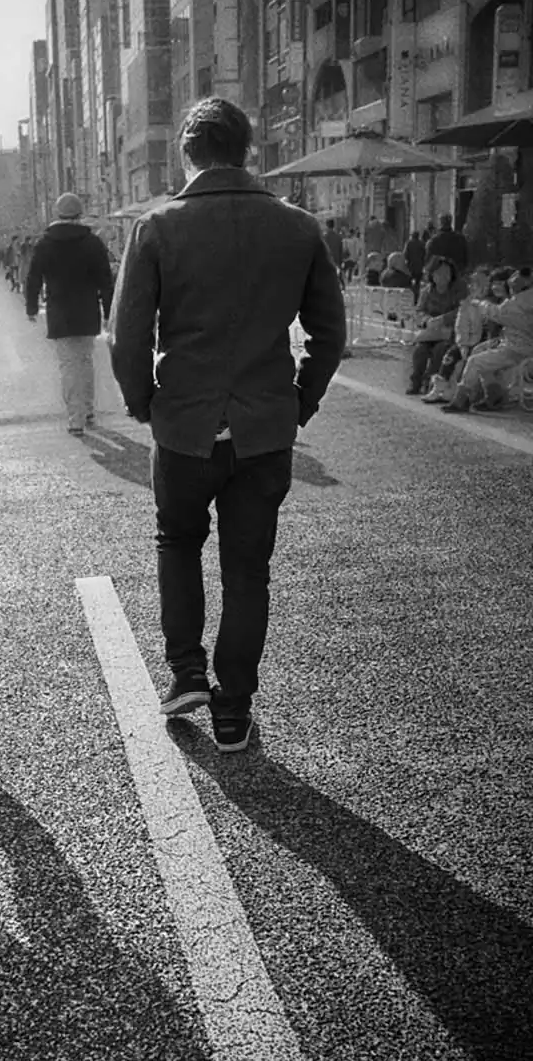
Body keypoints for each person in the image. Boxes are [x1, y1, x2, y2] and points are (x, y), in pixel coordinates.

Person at [108, 97, 346, 753]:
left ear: (187, 154)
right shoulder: (298, 228)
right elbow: (329, 334)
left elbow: (127, 336)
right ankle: (234, 708)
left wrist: (144, 402)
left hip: (184, 425)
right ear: (247, 151)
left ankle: (186, 672)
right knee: (248, 571)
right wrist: (299, 402)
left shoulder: (157, 227)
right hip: (264, 428)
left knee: (178, 541)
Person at [25, 192, 114, 435]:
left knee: (68, 364)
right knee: (85, 360)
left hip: (59, 311)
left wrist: (31, 307)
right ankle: (88, 409)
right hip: (87, 309)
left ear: (58, 213)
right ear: (79, 214)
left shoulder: (45, 243)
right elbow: (105, 280)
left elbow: (33, 277)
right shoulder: (93, 243)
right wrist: (109, 311)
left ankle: (75, 418)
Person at [442, 266, 533, 414]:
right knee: (480, 351)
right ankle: (494, 395)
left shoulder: (521, 302)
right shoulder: (523, 299)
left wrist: (479, 303)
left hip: (519, 351)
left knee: (475, 361)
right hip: (517, 345)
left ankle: (461, 400)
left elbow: (497, 313)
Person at [421, 265, 490, 404]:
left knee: (469, 360)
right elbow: (460, 325)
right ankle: (440, 387)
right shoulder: (467, 304)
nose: (473, 287)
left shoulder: (490, 306)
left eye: (478, 285)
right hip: (466, 341)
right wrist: (462, 343)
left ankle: (460, 391)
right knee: (450, 356)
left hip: (484, 343)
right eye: (472, 284)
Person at [407, 255, 463, 395]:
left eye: (446, 273)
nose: (443, 277)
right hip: (431, 332)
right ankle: (416, 381)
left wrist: (443, 319)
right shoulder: (427, 291)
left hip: (450, 333)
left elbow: (462, 310)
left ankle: (430, 381)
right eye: (439, 273)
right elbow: (419, 311)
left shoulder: (458, 290)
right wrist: (427, 320)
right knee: (420, 350)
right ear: (432, 274)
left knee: (440, 350)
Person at [404, 230, 426, 295]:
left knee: (409, 281)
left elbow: (405, 254)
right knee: (417, 282)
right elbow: (424, 254)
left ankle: (410, 294)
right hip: (419, 266)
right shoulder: (422, 243)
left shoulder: (409, 243)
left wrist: (407, 260)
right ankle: (416, 294)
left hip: (411, 266)